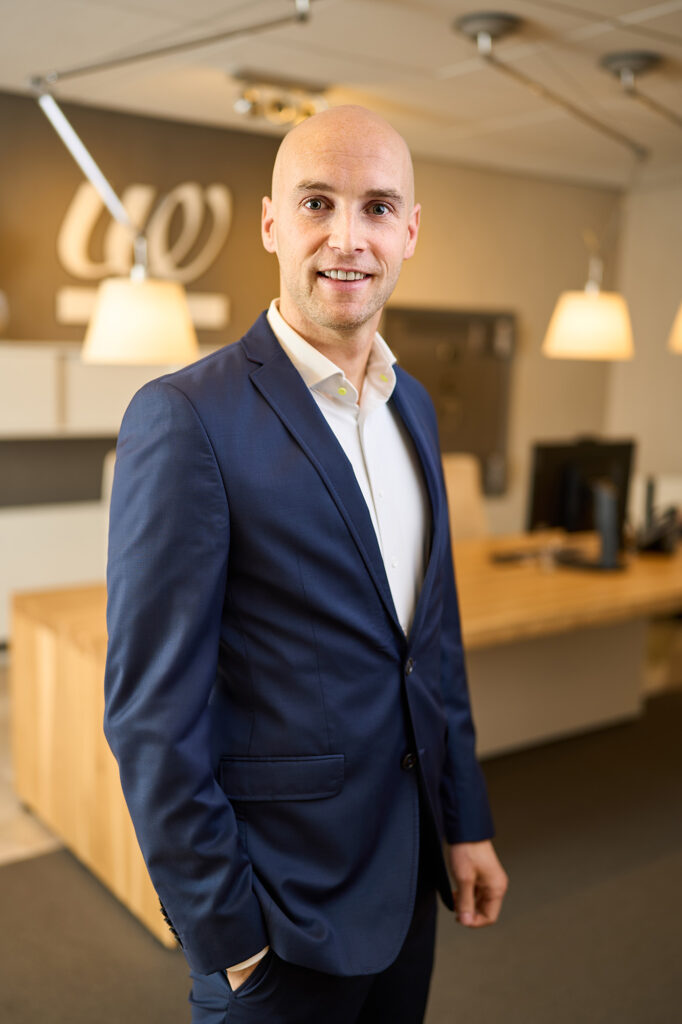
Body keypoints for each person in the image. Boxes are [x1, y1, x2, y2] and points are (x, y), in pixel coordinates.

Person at [104, 104, 508, 1024]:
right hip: (276, 919)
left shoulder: (415, 409)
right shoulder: (186, 417)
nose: (348, 238)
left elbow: (431, 649)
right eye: (317, 203)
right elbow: (150, 717)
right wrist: (229, 939)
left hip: (406, 883)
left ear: (410, 232)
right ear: (271, 224)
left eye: (377, 208)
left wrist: (465, 822)